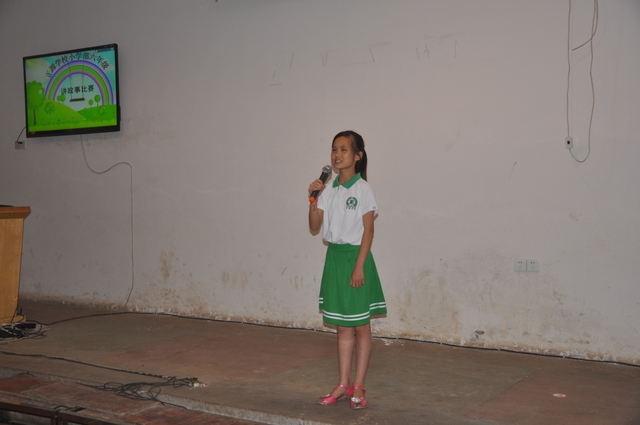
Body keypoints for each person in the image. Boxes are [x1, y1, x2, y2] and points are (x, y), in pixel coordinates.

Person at [308, 130, 387, 410]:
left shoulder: (363, 189)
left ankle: (359, 386)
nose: (337, 155)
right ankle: (343, 384)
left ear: (357, 155)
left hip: (356, 258)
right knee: (343, 326)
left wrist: (359, 266)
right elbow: (315, 226)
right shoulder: (328, 189)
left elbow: (369, 231)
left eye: (343, 149)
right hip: (335, 258)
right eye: (334, 149)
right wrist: (313, 200)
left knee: (361, 326)